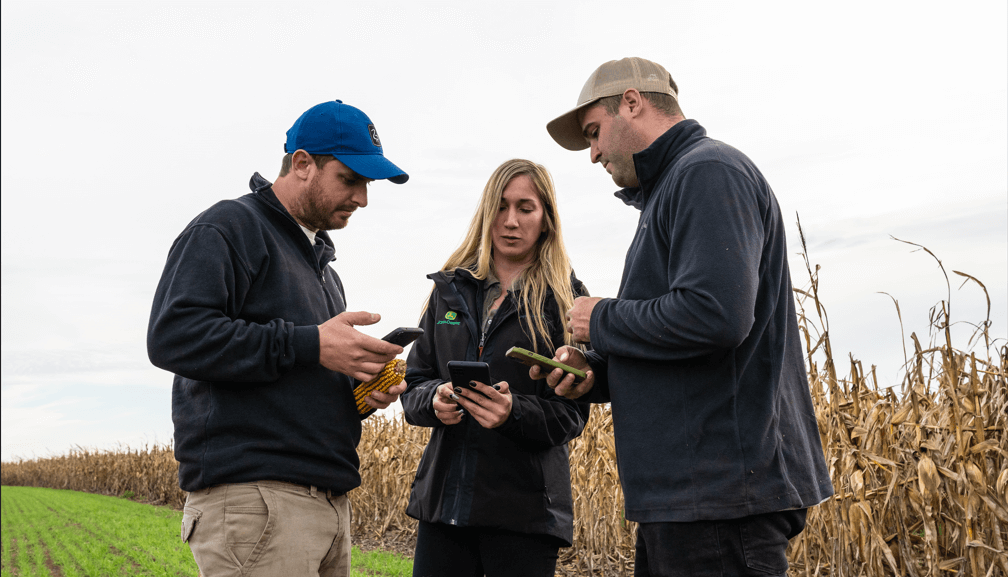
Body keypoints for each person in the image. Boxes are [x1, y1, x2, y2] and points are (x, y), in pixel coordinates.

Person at [538, 57, 835, 577]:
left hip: (721, 499)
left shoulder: (707, 172)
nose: (593, 154)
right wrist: (593, 374)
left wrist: (601, 319)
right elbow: (683, 342)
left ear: (631, 103)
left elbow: (715, 315)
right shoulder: (674, 187)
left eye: (593, 133)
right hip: (693, 500)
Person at [147, 100, 411, 577]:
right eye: (349, 179)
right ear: (303, 163)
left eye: (366, 184)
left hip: (328, 502)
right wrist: (312, 344)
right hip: (258, 501)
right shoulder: (230, 227)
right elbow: (173, 335)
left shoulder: (324, 272)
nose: (362, 198)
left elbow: (294, 372)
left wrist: (365, 392)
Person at [400, 159, 590, 577]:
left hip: (525, 518)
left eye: (526, 208)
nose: (510, 221)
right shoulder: (449, 290)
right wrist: (434, 399)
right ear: (486, 213)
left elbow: (573, 414)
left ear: (546, 219)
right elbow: (413, 383)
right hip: (444, 511)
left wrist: (512, 413)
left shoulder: (568, 302)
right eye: (501, 207)